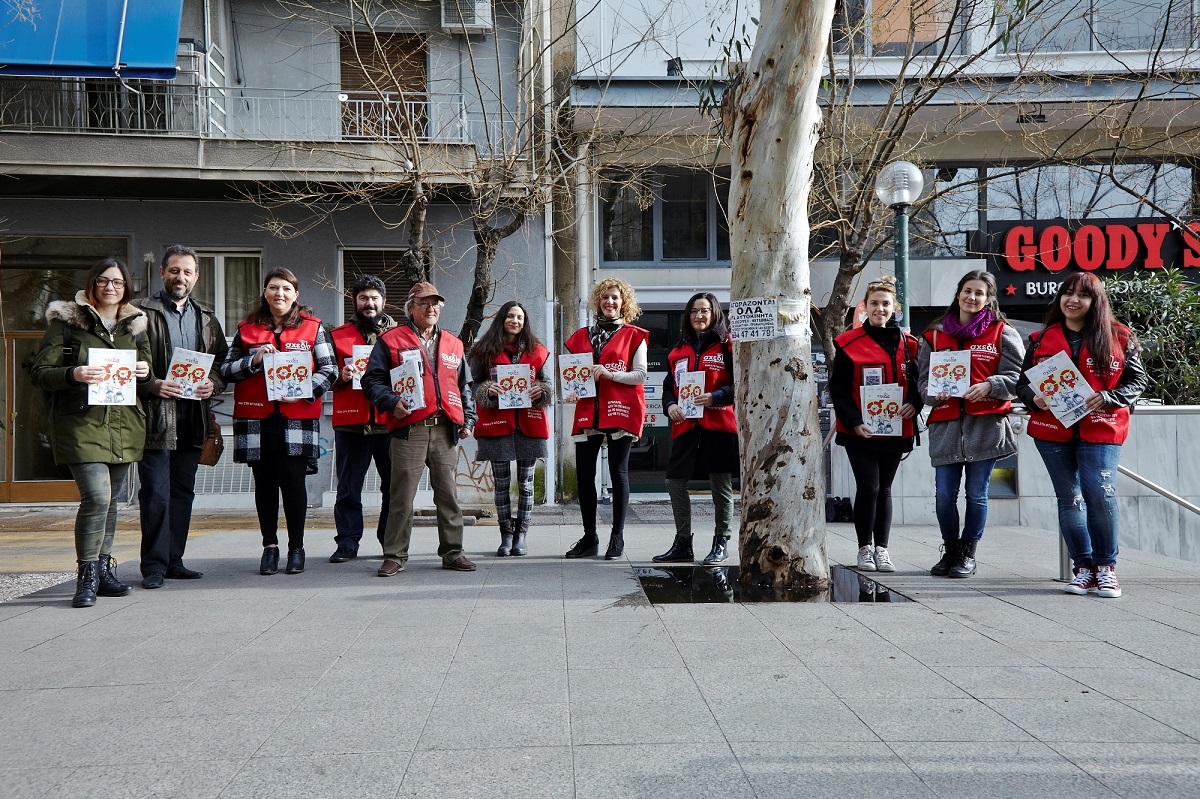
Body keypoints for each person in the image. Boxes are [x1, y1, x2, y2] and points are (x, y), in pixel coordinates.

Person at [30, 258, 152, 608]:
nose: (110, 287)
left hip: (124, 425)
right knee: (97, 498)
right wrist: (75, 374)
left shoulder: (135, 327)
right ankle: (86, 575)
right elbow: (40, 373)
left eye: (117, 282)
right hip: (81, 425)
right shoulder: (66, 324)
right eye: (103, 281)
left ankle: (103, 570)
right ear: (92, 285)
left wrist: (145, 373)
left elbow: (147, 381)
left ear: (127, 287)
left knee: (111, 502)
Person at [1015, 272, 1147, 598]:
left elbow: (1138, 382)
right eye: (1068, 293)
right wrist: (1034, 398)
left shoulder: (1119, 337)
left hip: (1101, 427)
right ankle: (1083, 568)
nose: (1073, 300)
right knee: (1069, 498)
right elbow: (1022, 384)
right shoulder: (1041, 339)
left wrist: (1108, 396)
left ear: (1095, 301)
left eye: (1082, 296)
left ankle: (1106, 568)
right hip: (1051, 431)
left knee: (1099, 495)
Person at [218, 268, 336, 577]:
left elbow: (330, 370)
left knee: (294, 483)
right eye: (273, 288)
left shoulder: (313, 327)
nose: (279, 294)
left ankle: (296, 548)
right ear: (265, 293)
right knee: (265, 484)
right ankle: (269, 547)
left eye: (286, 288)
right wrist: (253, 360)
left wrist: (304, 390)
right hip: (257, 417)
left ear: (295, 294)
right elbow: (227, 370)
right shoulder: (246, 329)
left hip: (297, 418)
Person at [362, 282, 478, 576]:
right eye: (424, 303)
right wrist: (390, 401)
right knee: (401, 496)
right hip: (408, 430)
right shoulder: (390, 341)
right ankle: (395, 555)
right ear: (410, 307)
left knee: (448, 495)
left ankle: (453, 552)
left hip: (444, 430)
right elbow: (371, 381)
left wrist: (468, 419)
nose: (431, 309)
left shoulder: (453, 343)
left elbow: (464, 385)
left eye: (436, 304)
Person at [917, 270, 1023, 578]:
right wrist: (931, 393)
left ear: (989, 299)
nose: (972, 297)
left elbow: (1019, 379)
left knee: (977, 494)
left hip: (986, 425)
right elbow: (922, 383)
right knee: (944, 495)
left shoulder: (1003, 332)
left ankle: (968, 553)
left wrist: (991, 386)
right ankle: (950, 549)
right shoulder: (934, 335)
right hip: (946, 426)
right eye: (967, 291)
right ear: (958, 293)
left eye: (979, 293)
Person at [135, 245, 229, 589]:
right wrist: (151, 384)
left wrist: (212, 384)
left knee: (182, 492)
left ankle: (175, 560)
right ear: (162, 273)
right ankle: (154, 566)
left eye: (187, 272)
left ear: (196, 277)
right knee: (155, 494)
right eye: (175, 270)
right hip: (155, 418)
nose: (181, 277)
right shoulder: (139, 312)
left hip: (193, 417)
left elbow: (221, 362)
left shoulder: (206, 317)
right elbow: (125, 362)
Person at [830, 276, 922, 573]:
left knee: (884, 488)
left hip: (896, 429)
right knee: (868, 486)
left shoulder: (911, 345)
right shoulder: (848, 342)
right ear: (864, 307)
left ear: (894, 307)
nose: (880, 309)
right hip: (860, 431)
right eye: (874, 304)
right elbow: (839, 389)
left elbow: (920, 382)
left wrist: (915, 403)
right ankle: (864, 549)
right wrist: (854, 422)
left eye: (885, 304)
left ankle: (882, 549)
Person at [563, 277, 648, 560]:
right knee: (585, 477)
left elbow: (641, 375)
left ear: (624, 302)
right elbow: (573, 377)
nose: (609, 302)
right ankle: (589, 538)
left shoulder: (635, 335)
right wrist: (571, 391)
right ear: (597, 302)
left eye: (615, 297)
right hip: (588, 410)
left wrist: (611, 375)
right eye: (604, 297)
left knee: (618, 474)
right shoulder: (581, 336)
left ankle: (617, 537)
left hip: (620, 410)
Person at [653, 292, 739, 566]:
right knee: (674, 481)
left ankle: (721, 542)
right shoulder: (678, 350)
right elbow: (670, 387)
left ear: (714, 313)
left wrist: (717, 396)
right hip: (686, 425)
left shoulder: (727, 346)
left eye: (704, 311)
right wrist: (669, 406)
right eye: (693, 311)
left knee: (720, 486)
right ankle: (682, 543)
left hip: (719, 424)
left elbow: (743, 383)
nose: (699, 316)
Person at [468, 301, 551, 556]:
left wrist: (541, 390)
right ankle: (505, 534)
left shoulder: (538, 351)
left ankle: (521, 535)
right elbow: (473, 385)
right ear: (502, 319)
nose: (515, 321)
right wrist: (486, 390)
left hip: (529, 423)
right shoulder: (483, 350)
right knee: (502, 484)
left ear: (525, 322)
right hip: (497, 425)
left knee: (526, 484)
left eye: (520, 317)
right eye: (510, 316)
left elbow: (548, 384)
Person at [328, 275, 398, 563]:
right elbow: (322, 374)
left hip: (389, 423)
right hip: (350, 423)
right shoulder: (336, 335)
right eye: (363, 298)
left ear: (383, 301)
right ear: (354, 302)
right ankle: (347, 542)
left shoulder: (400, 335)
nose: (369, 304)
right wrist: (339, 377)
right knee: (348, 488)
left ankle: (390, 542)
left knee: (393, 488)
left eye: (374, 298)